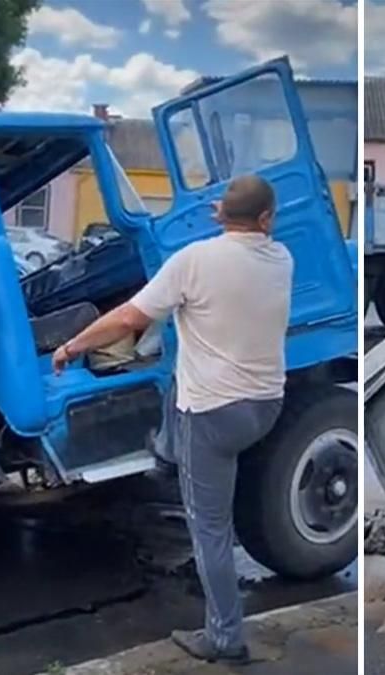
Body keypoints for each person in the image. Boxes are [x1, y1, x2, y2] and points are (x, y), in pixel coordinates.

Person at [51, 174, 292, 663]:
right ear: (267, 220)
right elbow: (247, 236)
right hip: (266, 406)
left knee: (211, 531)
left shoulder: (193, 262)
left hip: (213, 418)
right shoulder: (281, 259)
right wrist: (233, 218)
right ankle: (166, 451)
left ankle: (225, 638)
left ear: (222, 215)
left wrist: (72, 346)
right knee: (178, 382)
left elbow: (127, 320)